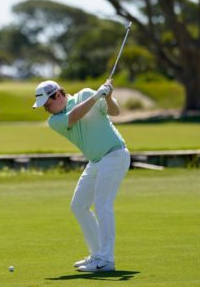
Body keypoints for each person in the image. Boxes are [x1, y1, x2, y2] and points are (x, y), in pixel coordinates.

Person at [33, 79, 130, 272]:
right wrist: (97, 95)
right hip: (96, 162)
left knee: (103, 204)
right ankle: (97, 255)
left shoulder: (85, 94)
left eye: (47, 104)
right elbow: (76, 115)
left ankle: (106, 259)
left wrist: (108, 97)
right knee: (78, 205)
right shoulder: (54, 121)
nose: (46, 109)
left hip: (114, 154)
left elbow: (115, 111)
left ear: (58, 95)